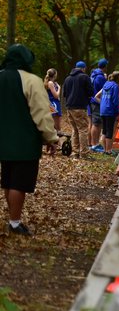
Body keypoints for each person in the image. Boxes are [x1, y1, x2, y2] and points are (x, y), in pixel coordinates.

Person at [0, 44, 59, 235]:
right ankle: (15, 222)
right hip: (24, 142)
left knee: (8, 180)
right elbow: (41, 112)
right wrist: (51, 138)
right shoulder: (31, 81)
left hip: (3, 140)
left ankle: (12, 218)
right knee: (19, 183)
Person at [62, 60, 94, 158]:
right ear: (83, 68)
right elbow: (91, 92)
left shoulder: (67, 78)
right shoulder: (84, 77)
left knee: (75, 130)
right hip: (80, 107)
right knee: (83, 129)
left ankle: (75, 152)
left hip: (69, 107)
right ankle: (84, 153)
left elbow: (64, 94)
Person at [94, 71, 119, 156]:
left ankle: (104, 149)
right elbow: (115, 100)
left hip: (103, 110)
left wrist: (103, 103)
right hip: (110, 111)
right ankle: (108, 150)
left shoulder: (106, 84)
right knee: (110, 131)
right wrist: (117, 113)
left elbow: (96, 97)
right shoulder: (115, 86)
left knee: (104, 130)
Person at [89, 58, 108, 153]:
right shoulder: (100, 77)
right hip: (97, 101)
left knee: (96, 123)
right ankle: (94, 144)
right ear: (104, 67)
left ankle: (94, 143)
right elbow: (104, 89)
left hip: (92, 101)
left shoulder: (93, 74)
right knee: (96, 124)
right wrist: (105, 79)